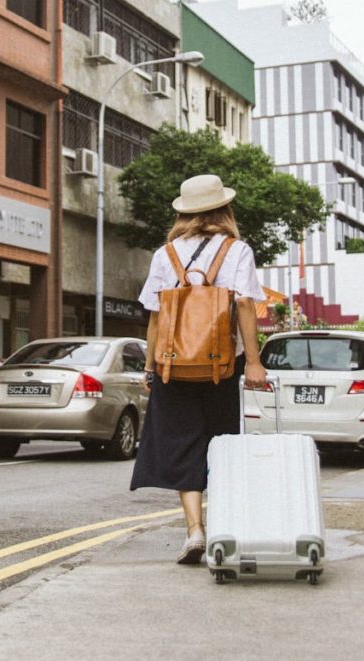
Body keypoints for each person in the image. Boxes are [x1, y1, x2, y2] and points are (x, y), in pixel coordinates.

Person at [130, 173, 268, 564]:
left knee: (180, 443)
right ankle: (222, 524)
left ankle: (194, 530)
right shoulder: (236, 250)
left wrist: (150, 367)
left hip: (172, 364)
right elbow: (244, 305)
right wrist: (254, 363)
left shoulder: (166, 254)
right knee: (219, 443)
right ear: (224, 209)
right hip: (220, 366)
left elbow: (156, 315)